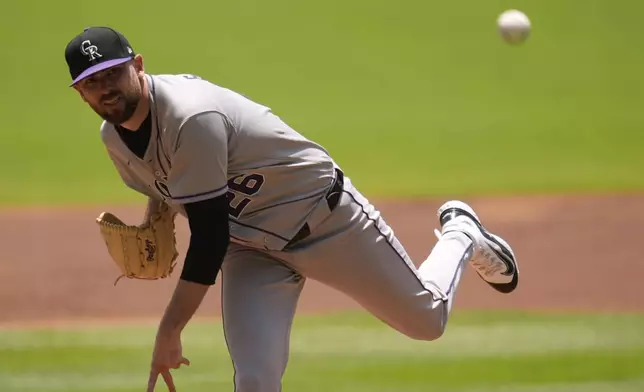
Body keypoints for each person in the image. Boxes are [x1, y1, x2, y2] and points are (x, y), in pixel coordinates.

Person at [64, 26, 519, 392]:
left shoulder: (191, 116)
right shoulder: (114, 139)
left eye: (111, 74)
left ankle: (461, 233)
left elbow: (208, 238)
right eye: (90, 82)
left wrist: (168, 331)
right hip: (251, 251)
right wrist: (153, 219)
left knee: (427, 322)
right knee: (256, 380)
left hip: (325, 222)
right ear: (80, 93)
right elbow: (163, 184)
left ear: (138, 66)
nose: (104, 89)